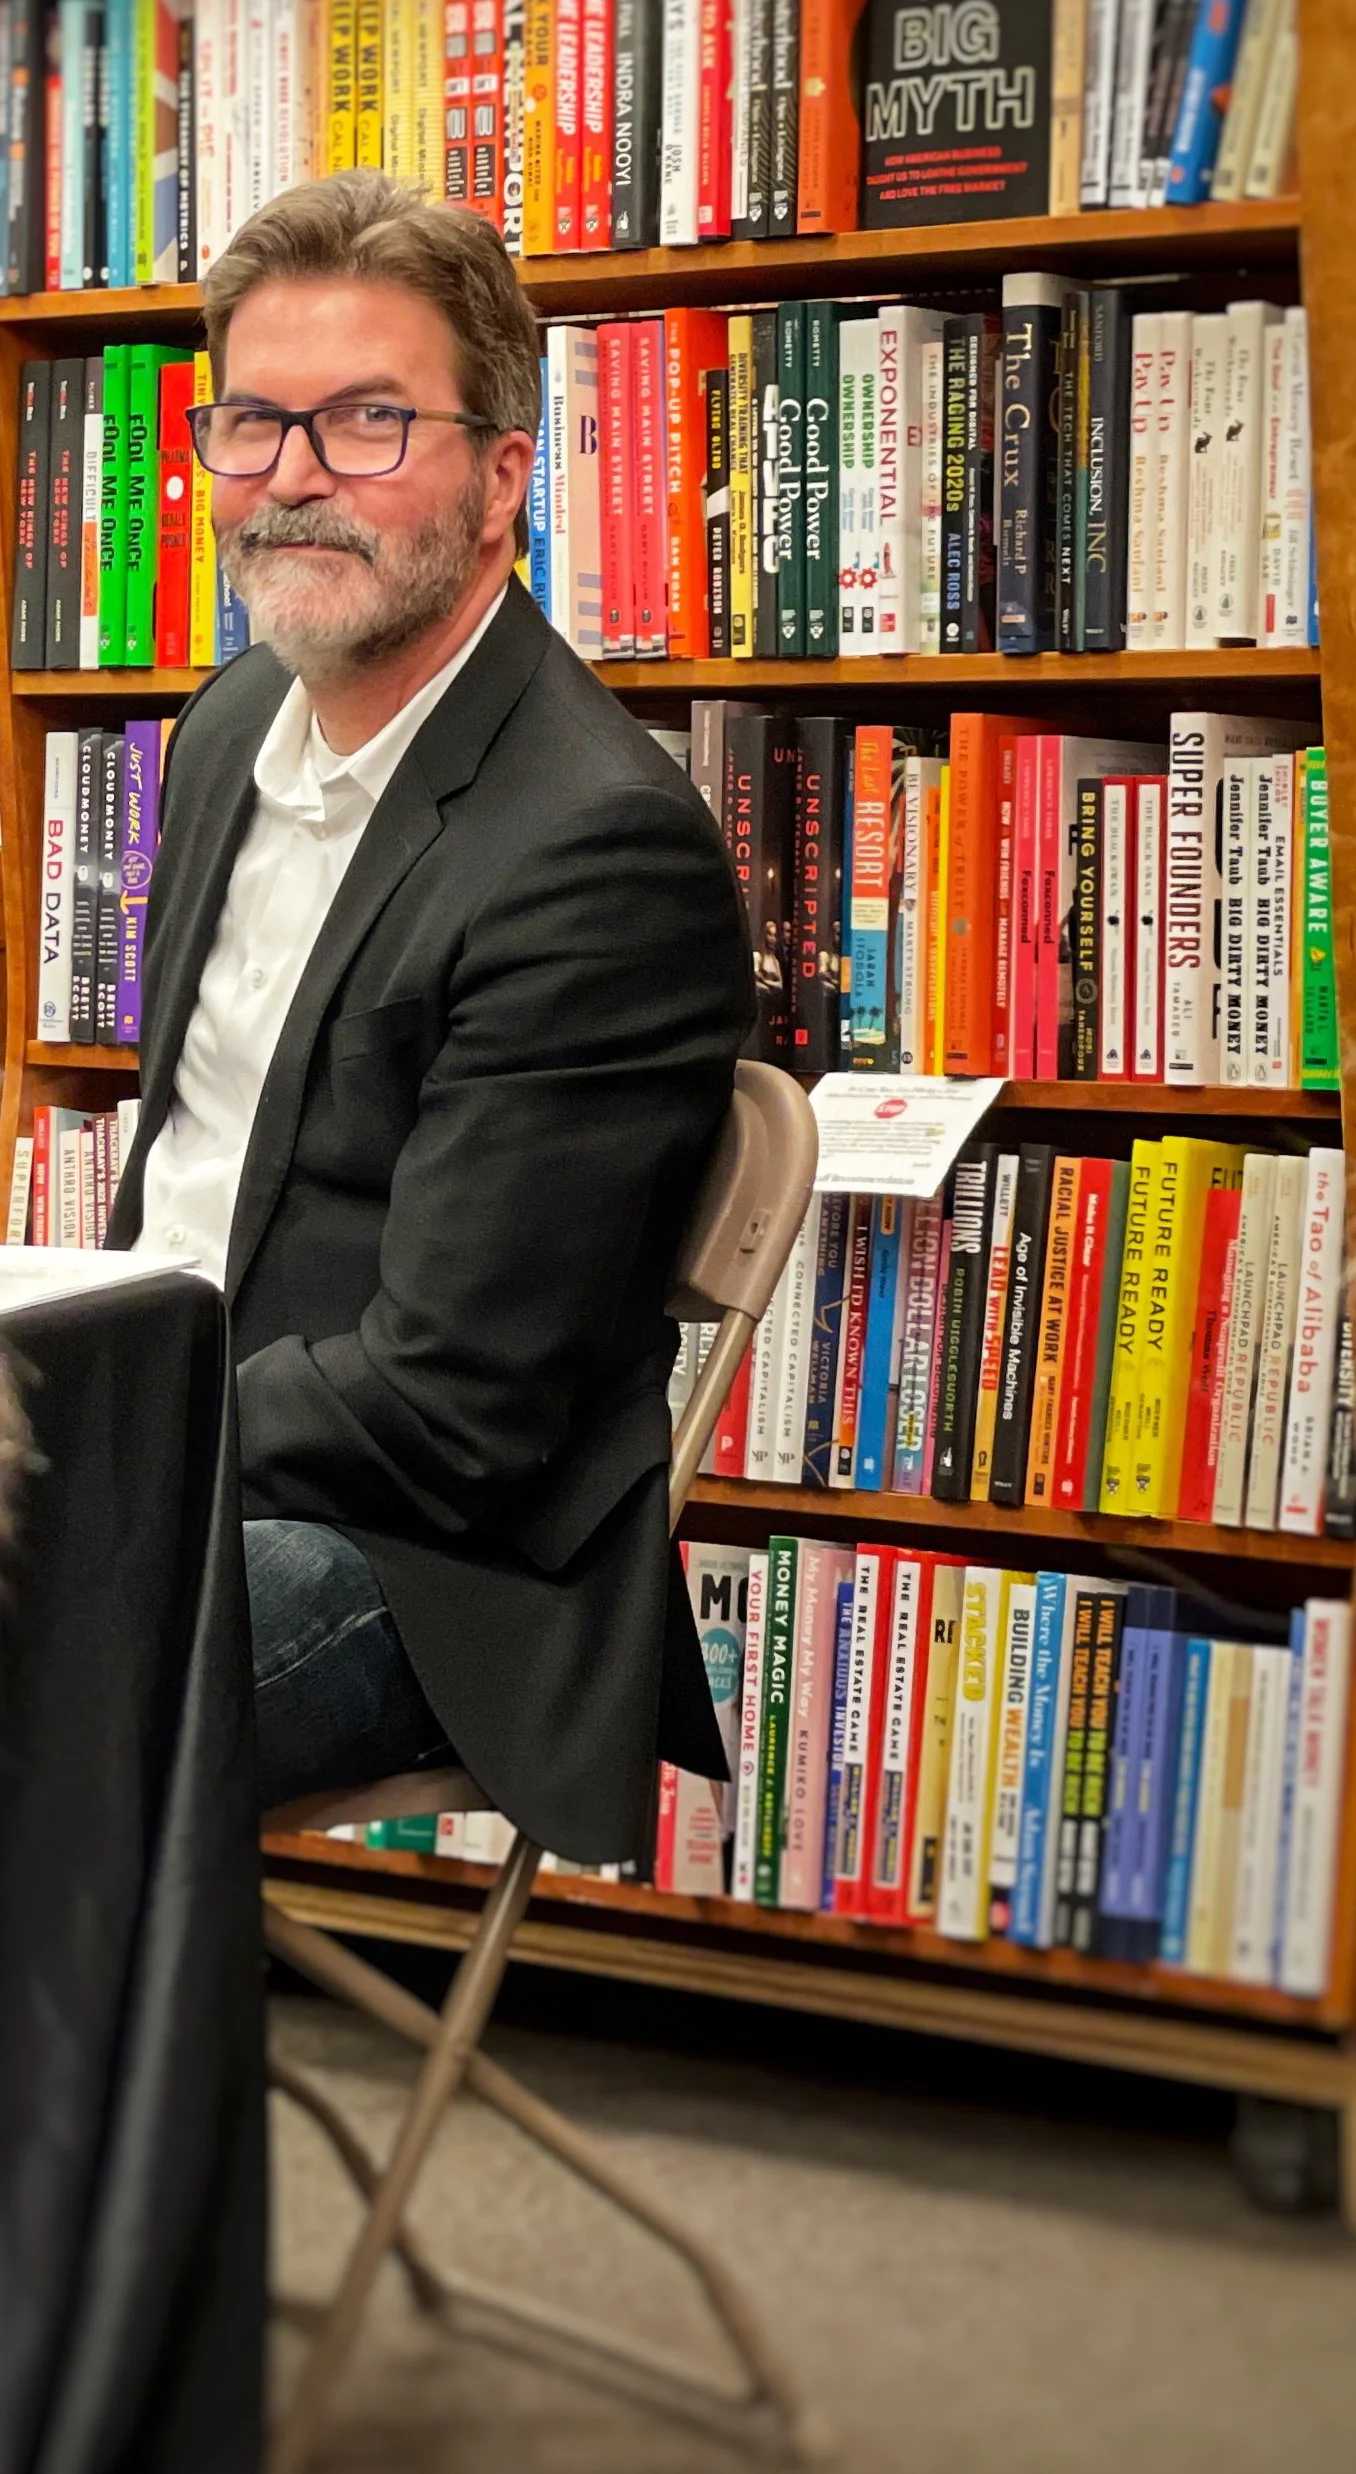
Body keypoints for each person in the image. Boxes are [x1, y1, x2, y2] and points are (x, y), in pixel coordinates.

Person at [106, 170, 755, 1861]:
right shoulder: (231, 721)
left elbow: (450, 1412)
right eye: (254, 422)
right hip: (164, 1453)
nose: (296, 477)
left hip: (416, 1558)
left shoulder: (593, 847)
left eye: (370, 421)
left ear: (500, 478)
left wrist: (96, 1423)